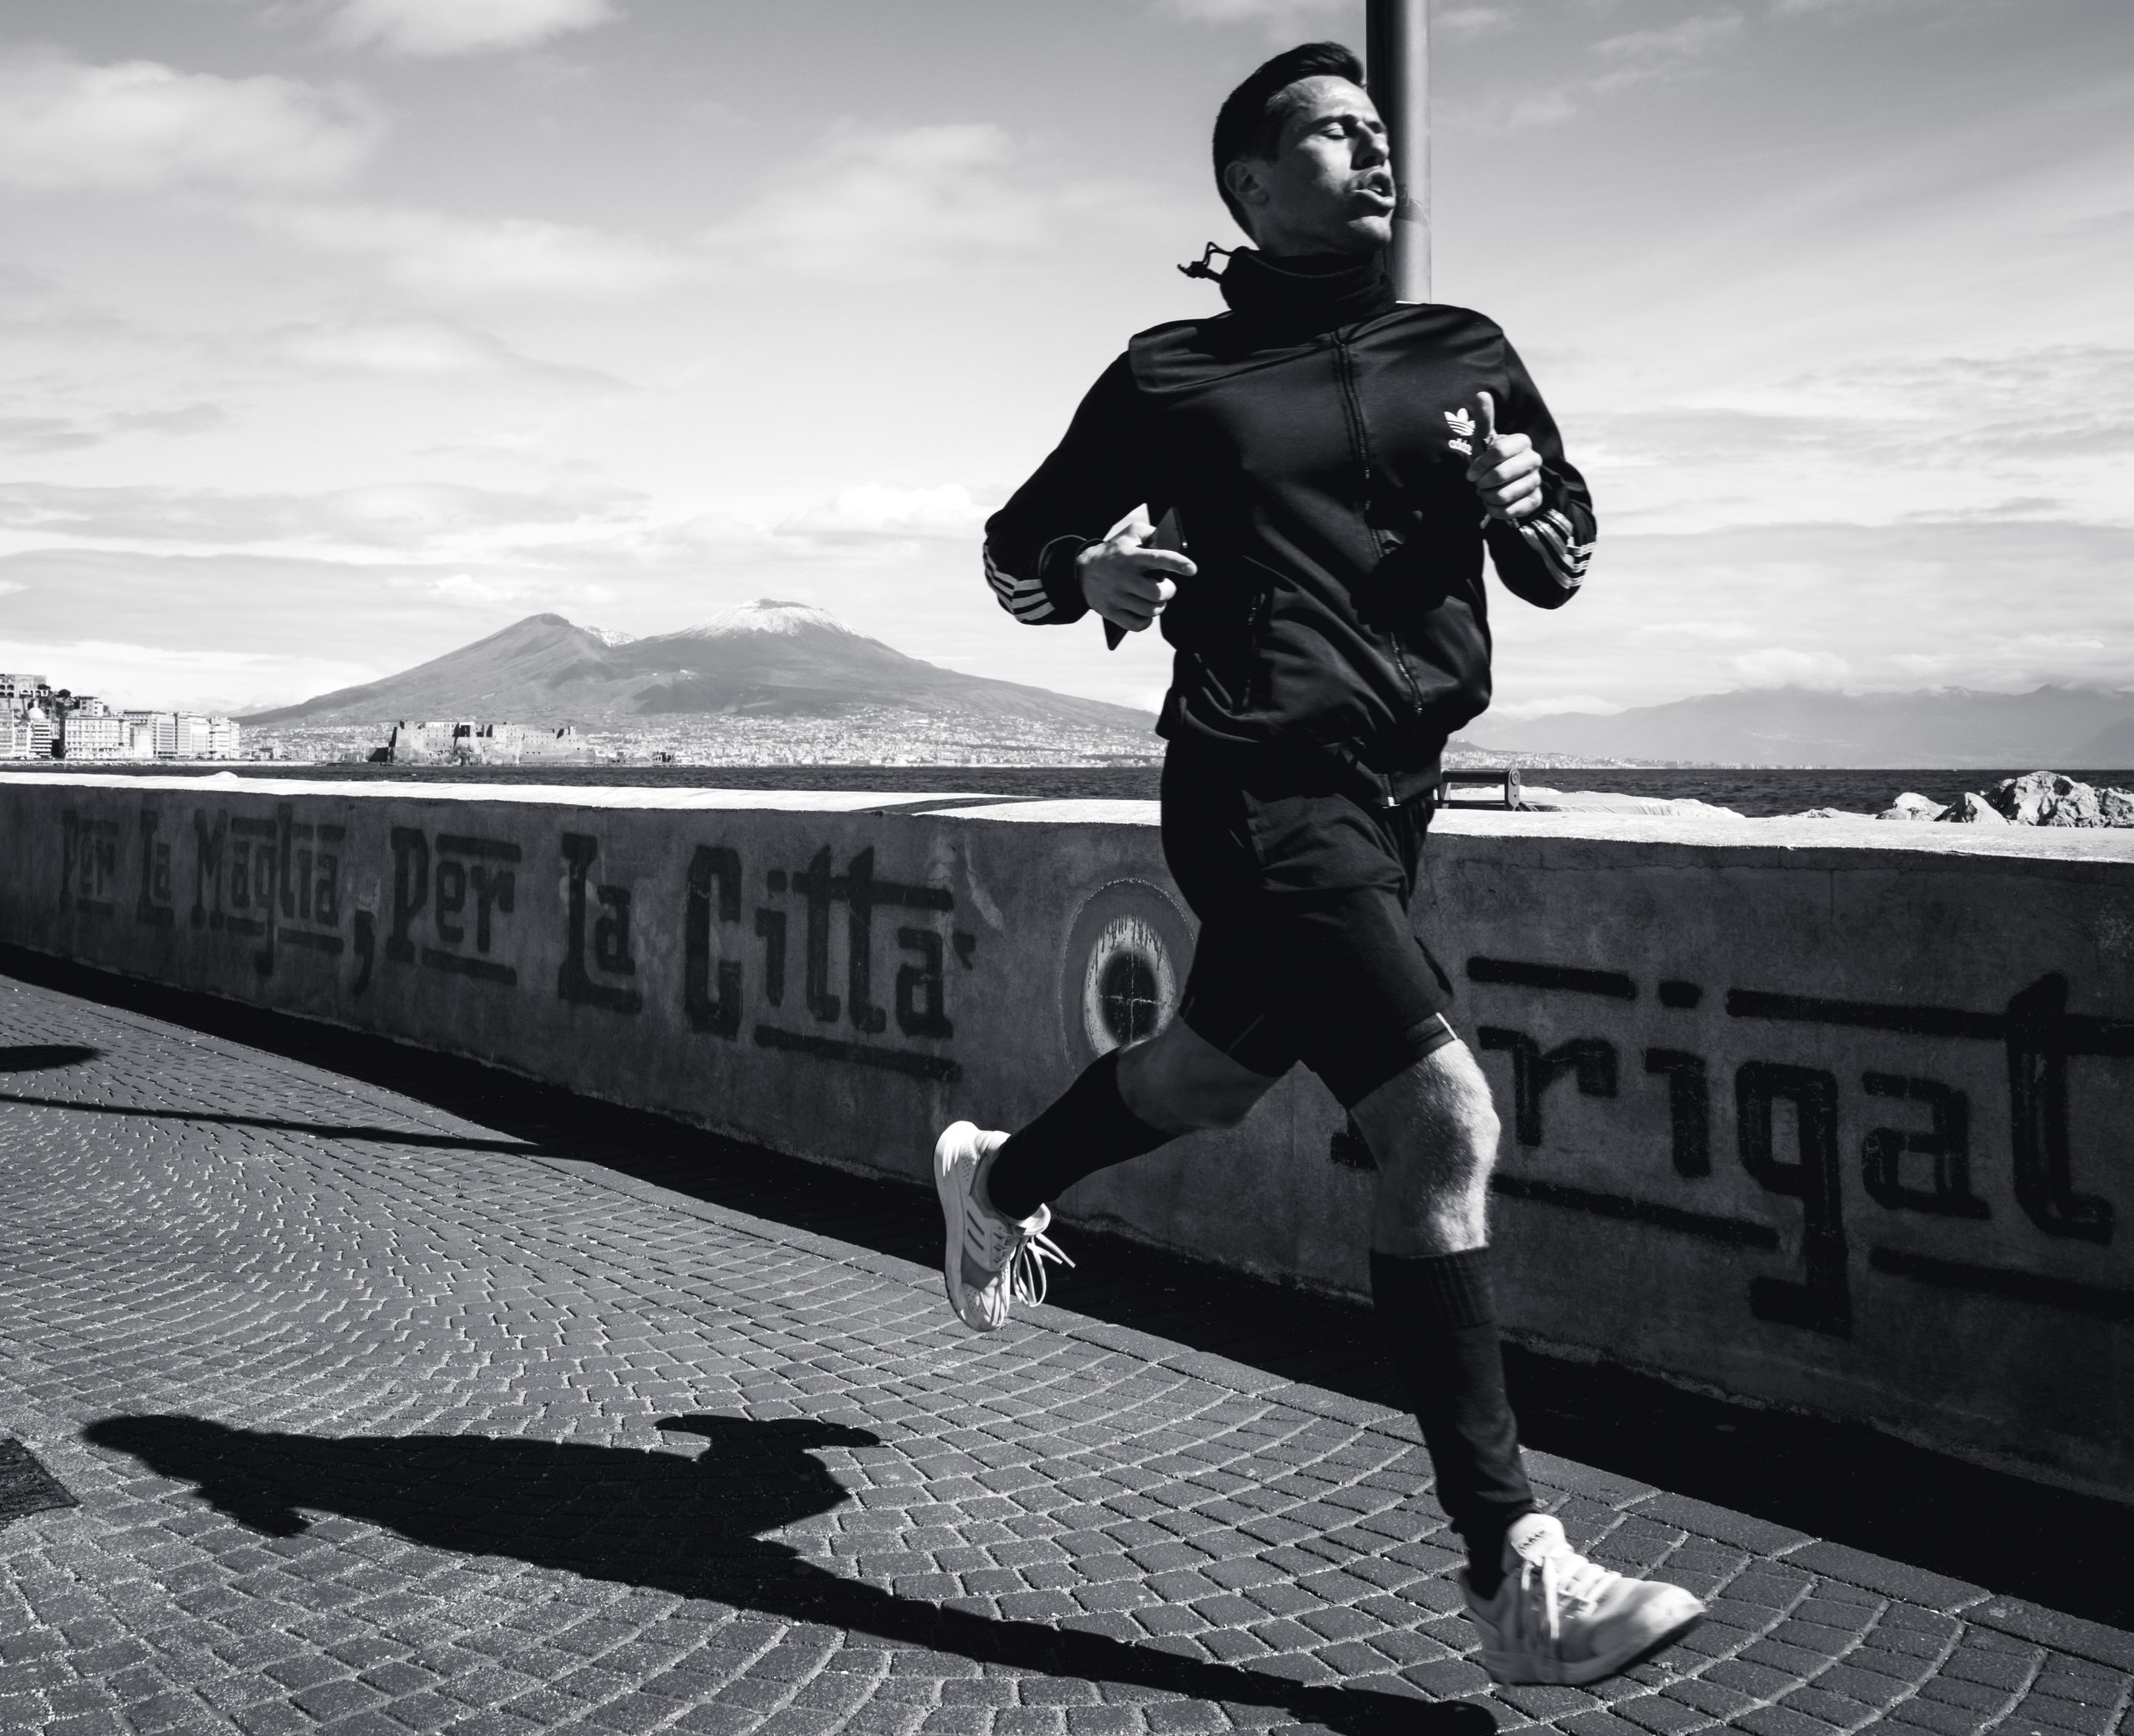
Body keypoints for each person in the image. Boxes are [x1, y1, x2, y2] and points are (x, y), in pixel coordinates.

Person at [934, 42, 1704, 1689]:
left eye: (1375, 127)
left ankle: (992, 1181)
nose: (1370, 148)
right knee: (1439, 1115)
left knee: (1205, 1080)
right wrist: (1092, 568)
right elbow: (1010, 557)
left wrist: (1522, 504)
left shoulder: (1461, 351)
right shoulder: (1167, 377)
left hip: (1390, 796)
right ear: (1249, 188)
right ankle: (1512, 1569)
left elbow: (1561, 555)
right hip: (1249, 778)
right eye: (1329, 131)